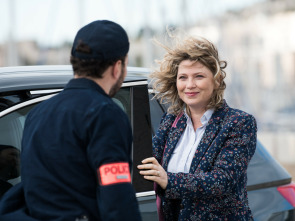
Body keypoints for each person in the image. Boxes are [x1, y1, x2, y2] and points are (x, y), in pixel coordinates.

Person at [0, 20, 141, 221]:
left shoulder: (37, 114)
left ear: (75, 62)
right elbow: (116, 196)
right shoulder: (105, 114)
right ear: (117, 67)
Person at [138, 36, 257, 220]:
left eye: (199, 76)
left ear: (216, 80)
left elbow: (222, 180)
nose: (189, 85)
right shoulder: (170, 122)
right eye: (183, 77)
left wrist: (169, 180)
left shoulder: (238, 123)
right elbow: (147, 162)